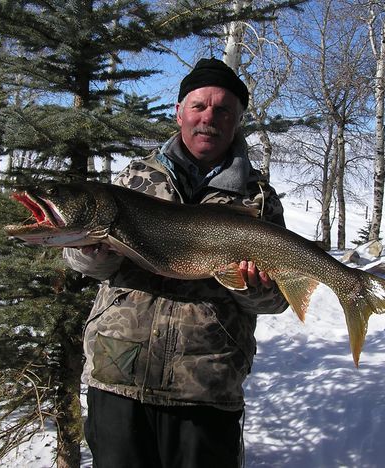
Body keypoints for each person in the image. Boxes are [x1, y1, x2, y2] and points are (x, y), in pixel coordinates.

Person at [63, 58, 288, 468]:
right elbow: (86, 263)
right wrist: (89, 254)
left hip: (205, 385)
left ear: (237, 120)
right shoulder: (133, 179)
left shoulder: (257, 200)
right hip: (118, 374)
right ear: (179, 111)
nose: (209, 119)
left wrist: (257, 289)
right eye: (199, 106)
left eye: (223, 110)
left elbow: (277, 302)